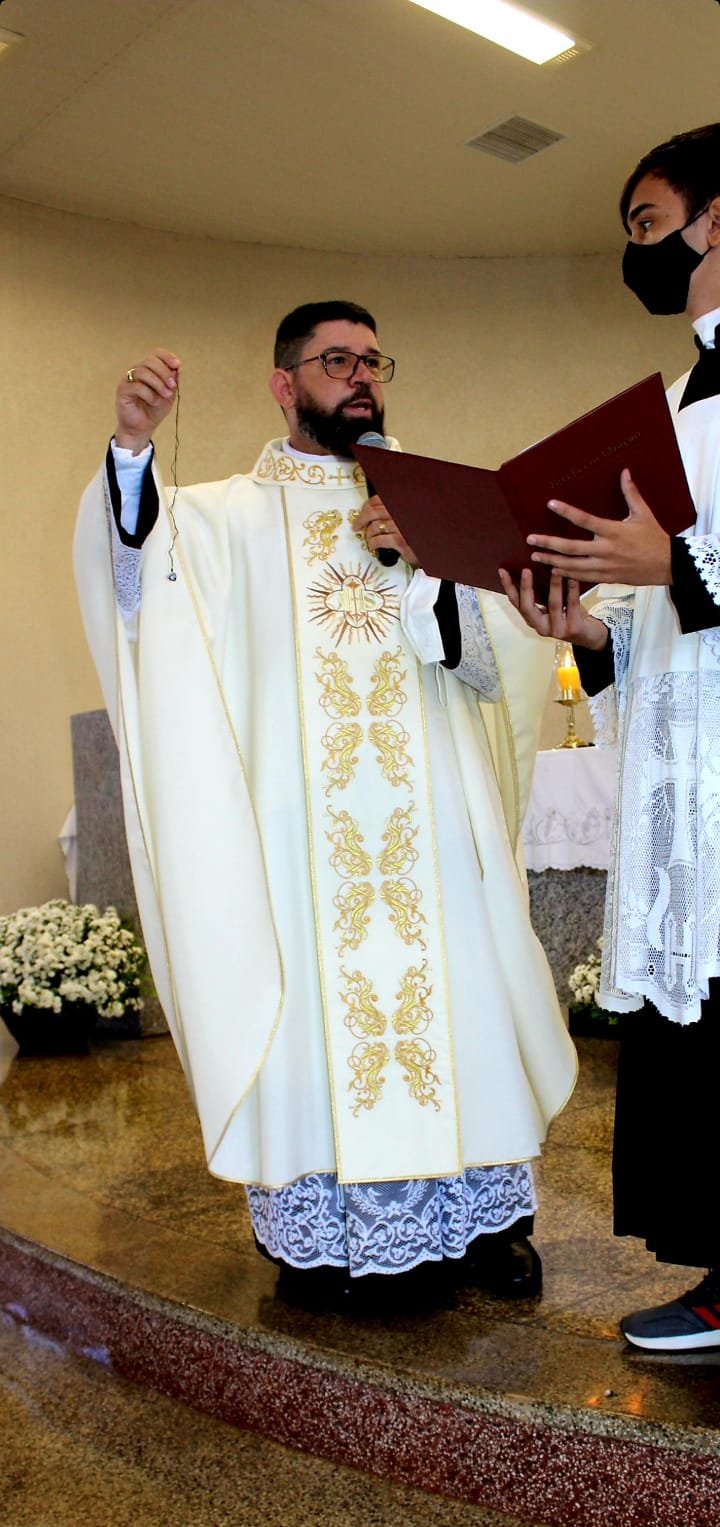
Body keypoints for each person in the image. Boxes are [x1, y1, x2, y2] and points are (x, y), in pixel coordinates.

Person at [74, 299, 576, 1310]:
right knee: (315, 1017)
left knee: (466, 1004)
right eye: (336, 361)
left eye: (373, 362)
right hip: (305, 845)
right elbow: (138, 592)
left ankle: (487, 1222)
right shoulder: (223, 516)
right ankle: (330, 1236)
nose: (361, 379)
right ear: (284, 383)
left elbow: (499, 667)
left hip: (434, 836)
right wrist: (131, 453)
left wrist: (427, 563)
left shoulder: (431, 500)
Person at [499, 127, 720, 1352]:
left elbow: (686, 573)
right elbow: (656, 629)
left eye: (647, 223)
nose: (636, 250)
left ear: (717, 219)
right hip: (693, 775)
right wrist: (588, 629)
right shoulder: (681, 405)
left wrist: (674, 565)